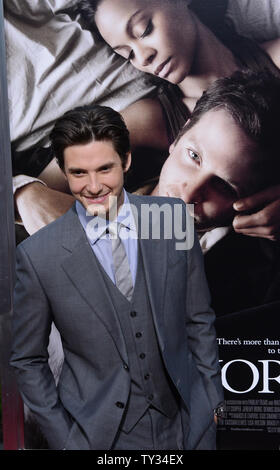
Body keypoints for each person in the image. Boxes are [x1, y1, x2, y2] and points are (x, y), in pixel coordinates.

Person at [10, 104, 223, 450]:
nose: (94, 187)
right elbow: (28, 360)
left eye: (105, 169)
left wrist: (208, 406)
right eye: (79, 173)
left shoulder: (176, 222)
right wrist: (63, 435)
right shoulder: (38, 249)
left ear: (125, 161)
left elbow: (199, 322)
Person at [77, 0, 280, 241]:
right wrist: (24, 191)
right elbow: (52, 182)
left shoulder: (275, 60)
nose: (143, 57)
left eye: (144, 30)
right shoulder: (151, 118)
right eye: (128, 54)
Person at [154, 69, 280, 315]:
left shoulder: (249, 278)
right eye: (193, 156)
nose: (189, 196)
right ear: (180, 135)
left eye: (223, 185)